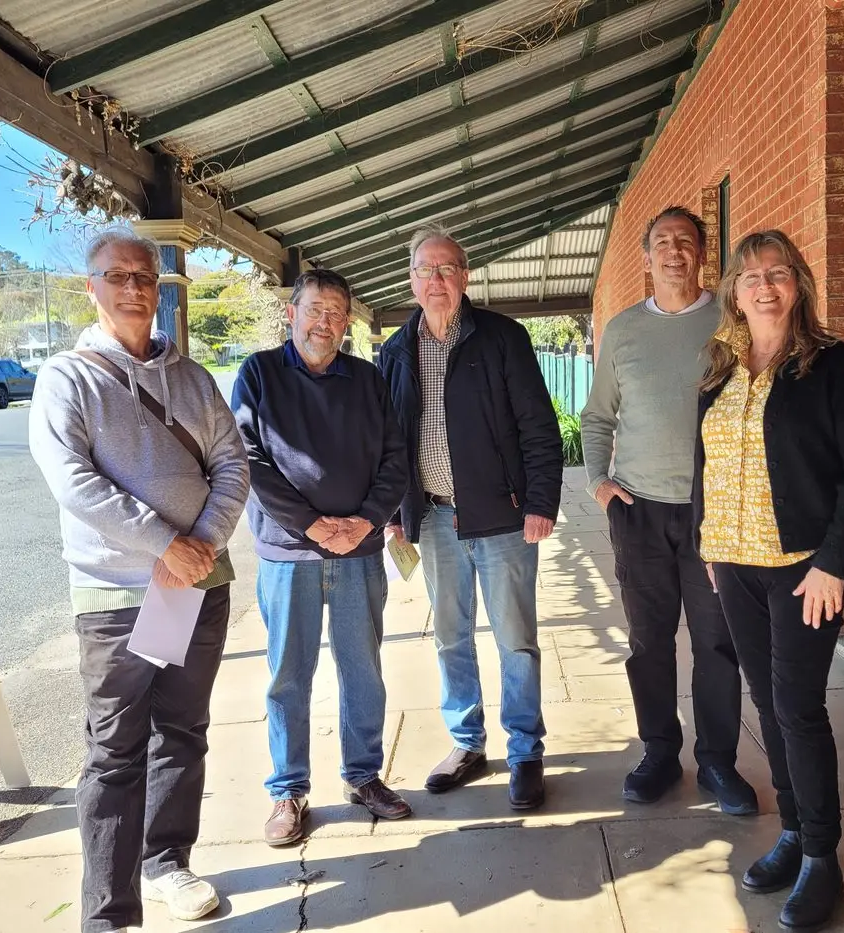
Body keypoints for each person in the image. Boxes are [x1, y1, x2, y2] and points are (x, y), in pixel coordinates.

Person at [28, 228, 250, 933]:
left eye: (144, 276)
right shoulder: (67, 378)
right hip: (117, 599)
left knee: (182, 730)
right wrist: (163, 543)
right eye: (116, 275)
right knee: (115, 752)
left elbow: (233, 464)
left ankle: (167, 862)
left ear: (159, 288)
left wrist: (202, 543)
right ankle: (110, 915)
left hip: (196, 588)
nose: (132, 288)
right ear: (89, 287)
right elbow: (73, 480)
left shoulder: (191, 379)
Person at [694, 229, 844, 930]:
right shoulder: (721, 366)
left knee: (798, 706)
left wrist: (834, 559)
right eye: (750, 277)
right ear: (734, 295)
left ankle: (823, 858)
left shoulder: (835, 367)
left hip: (804, 569)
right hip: (735, 562)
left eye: (777, 273)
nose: (764, 286)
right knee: (767, 702)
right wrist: (708, 544)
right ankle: (793, 832)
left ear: (798, 283)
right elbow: (708, 466)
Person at [378, 224, 563, 810]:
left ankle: (525, 749)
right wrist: (391, 515)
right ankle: (466, 742)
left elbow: (539, 426)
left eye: (446, 269)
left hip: (503, 518)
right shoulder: (394, 351)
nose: (436, 281)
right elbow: (386, 441)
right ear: (411, 280)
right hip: (431, 519)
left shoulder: (502, 339)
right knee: (450, 637)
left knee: (516, 640)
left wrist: (540, 503)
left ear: (465, 276)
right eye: (425, 271)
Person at [580, 206, 756, 814]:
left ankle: (717, 764)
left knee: (716, 641)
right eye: (662, 242)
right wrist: (600, 482)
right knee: (649, 641)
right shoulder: (624, 331)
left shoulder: (730, 323)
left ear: (703, 253)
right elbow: (598, 415)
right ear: (646, 257)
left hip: (715, 517)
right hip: (639, 512)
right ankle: (659, 752)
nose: (674, 251)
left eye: (686, 241)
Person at [231, 269, 412, 846]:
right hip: (288, 553)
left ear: (348, 321)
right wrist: (310, 524)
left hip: (358, 549)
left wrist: (365, 520)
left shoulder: (367, 378)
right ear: (293, 313)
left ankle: (363, 776)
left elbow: (395, 455)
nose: (325, 322)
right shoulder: (259, 373)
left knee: (363, 669)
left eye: (336, 313)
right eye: (315, 310)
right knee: (289, 674)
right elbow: (249, 458)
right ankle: (288, 790)